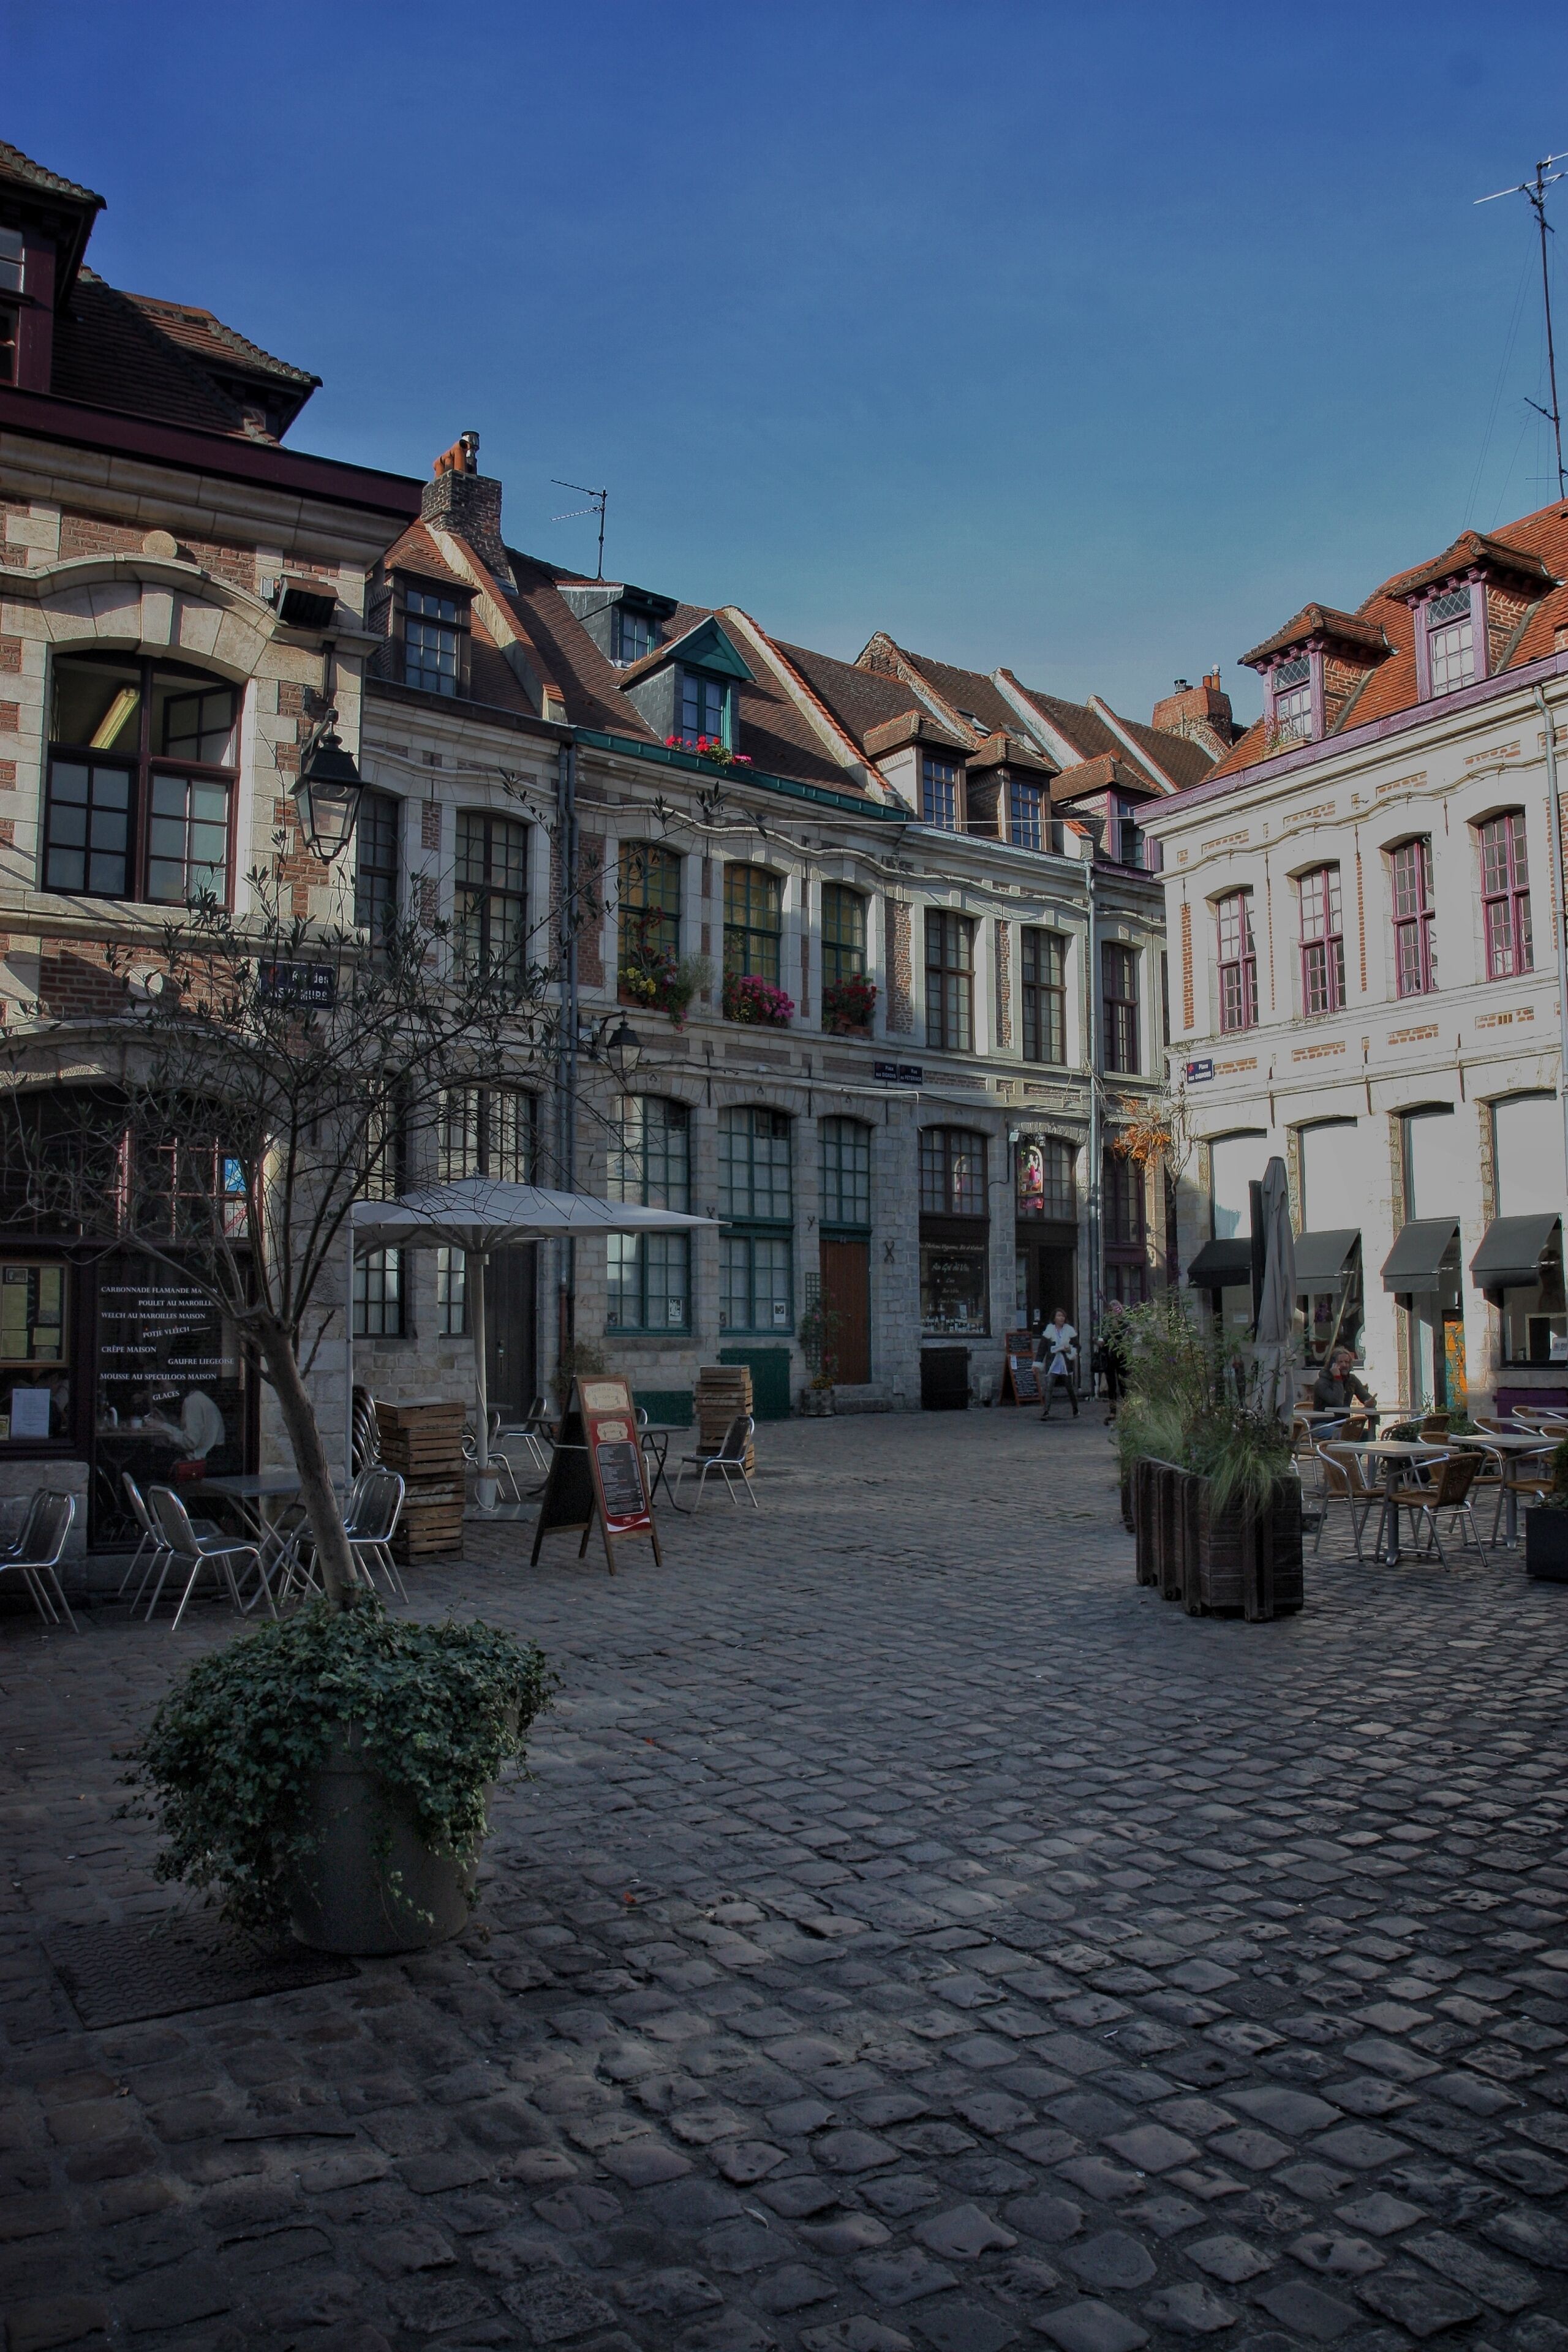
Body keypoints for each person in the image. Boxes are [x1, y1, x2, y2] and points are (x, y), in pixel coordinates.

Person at [1036, 1308, 1078, 1419]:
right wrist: (1037, 1364)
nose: (1061, 1318)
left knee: (1069, 1387)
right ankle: (1046, 1411)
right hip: (1053, 1362)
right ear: (1054, 1318)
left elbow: (1077, 1346)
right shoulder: (1049, 1331)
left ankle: (1075, 1409)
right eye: (1059, 1316)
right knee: (1049, 1386)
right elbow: (1042, 1349)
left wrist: (1070, 1350)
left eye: (1063, 1316)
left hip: (1065, 1362)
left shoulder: (1070, 1330)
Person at [1313, 1348, 1376, 1413]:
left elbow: (1365, 1396)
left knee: (1372, 1415)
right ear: (1333, 1364)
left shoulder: (1352, 1379)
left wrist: (1370, 1402)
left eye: (1347, 1362)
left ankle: (1375, 1424)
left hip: (1344, 1421)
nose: (1344, 1365)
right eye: (1340, 1362)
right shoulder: (1321, 1383)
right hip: (1324, 1422)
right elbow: (1338, 1403)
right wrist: (1337, 1378)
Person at [1101, 1299, 1129, 1423]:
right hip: (1110, 1356)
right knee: (1111, 1385)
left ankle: (1126, 1411)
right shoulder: (1106, 1323)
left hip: (1122, 1356)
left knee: (1123, 1384)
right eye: (1112, 1310)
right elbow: (1103, 1337)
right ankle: (1113, 1411)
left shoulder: (1124, 1322)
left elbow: (1126, 1337)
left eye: (1116, 1309)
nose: (1114, 1312)